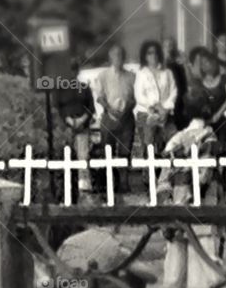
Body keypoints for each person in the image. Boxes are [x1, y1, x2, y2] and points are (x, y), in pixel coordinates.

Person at [93, 44, 136, 193]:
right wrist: (109, 109)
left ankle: (124, 183)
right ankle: (110, 183)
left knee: (125, 151)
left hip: (127, 117)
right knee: (107, 150)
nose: (118, 58)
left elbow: (135, 98)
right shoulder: (103, 76)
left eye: (120, 55)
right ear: (110, 57)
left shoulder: (131, 76)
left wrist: (127, 109)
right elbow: (99, 97)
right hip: (109, 117)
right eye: (115, 55)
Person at [54, 59, 96, 194]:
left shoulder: (84, 88)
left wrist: (82, 119)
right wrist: (68, 120)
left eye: (74, 70)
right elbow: (57, 108)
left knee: (83, 154)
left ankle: (84, 181)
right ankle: (66, 182)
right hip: (65, 127)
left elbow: (91, 108)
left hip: (82, 125)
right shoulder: (60, 89)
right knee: (66, 154)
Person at [133, 40, 177, 164]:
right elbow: (139, 95)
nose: (154, 55)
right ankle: (149, 177)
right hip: (147, 113)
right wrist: (154, 106)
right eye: (150, 53)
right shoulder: (141, 74)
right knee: (150, 145)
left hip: (166, 113)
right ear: (145, 56)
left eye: (156, 52)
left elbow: (173, 91)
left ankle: (167, 177)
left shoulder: (167, 73)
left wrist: (165, 109)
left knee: (172, 143)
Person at [163, 37, 188, 130]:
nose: (170, 48)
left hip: (179, 96)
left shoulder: (179, 62)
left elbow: (186, 78)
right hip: (166, 96)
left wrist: (185, 62)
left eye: (172, 45)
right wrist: (165, 58)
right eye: (167, 46)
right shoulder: (162, 62)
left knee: (179, 124)